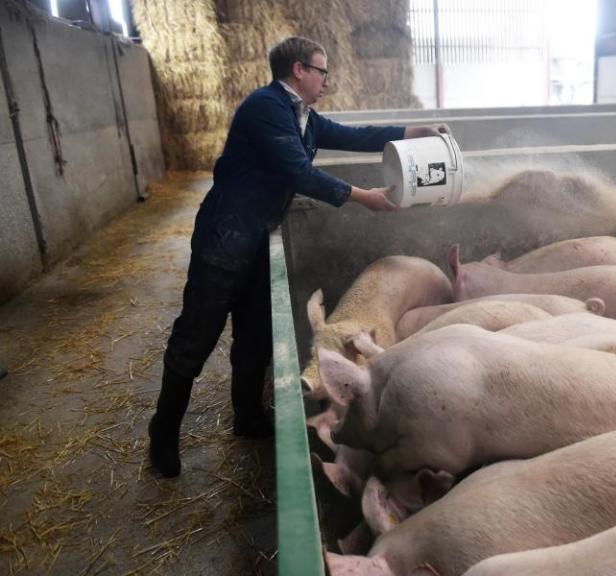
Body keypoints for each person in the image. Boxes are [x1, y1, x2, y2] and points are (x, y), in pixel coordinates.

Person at [148, 36, 449, 478]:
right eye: (322, 71)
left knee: (254, 337)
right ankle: (163, 432)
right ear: (298, 71)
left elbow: (352, 135)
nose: (328, 80)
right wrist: (362, 196)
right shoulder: (266, 107)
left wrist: (412, 132)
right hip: (225, 238)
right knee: (196, 335)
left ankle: (247, 417)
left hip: (254, 238)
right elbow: (298, 172)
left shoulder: (302, 116)